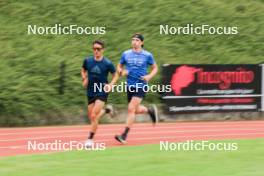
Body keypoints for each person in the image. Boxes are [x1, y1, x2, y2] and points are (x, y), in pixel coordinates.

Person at [115, 33, 159, 144]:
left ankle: (124, 135)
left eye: (137, 40)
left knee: (130, 108)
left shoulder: (147, 55)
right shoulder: (126, 54)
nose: (134, 42)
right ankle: (150, 110)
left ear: (141, 43)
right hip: (130, 85)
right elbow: (119, 66)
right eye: (133, 40)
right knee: (135, 110)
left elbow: (155, 68)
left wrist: (149, 76)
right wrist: (121, 71)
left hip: (141, 84)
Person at [81, 40, 118, 147]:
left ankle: (90, 139)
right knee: (92, 117)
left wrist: (111, 84)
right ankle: (107, 110)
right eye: (94, 49)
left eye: (98, 49)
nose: (96, 51)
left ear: (103, 50)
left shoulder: (107, 63)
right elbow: (83, 69)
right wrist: (84, 77)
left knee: (94, 115)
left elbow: (115, 75)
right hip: (90, 91)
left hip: (102, 90)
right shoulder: (87, 61)